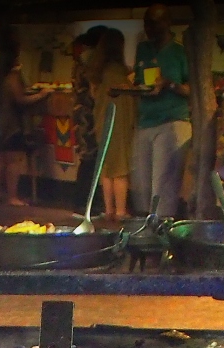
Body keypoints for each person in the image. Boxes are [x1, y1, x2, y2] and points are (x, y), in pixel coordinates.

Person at [131, 5, 190, 218]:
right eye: (146, 24)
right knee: (143, 186)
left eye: (154, 23)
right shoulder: (143, 49)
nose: (149, 29)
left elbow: (193, 89)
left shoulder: (180, 51)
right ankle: (147, 231)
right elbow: (139, 81)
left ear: (167, 23)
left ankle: (163, 230)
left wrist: (170, 84)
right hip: (146, 121)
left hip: (172, 121)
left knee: (163, 186)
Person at [0, 29, 51, 207]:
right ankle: (12, 196)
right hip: (13, 124)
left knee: (1, 160)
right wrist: (42, 94)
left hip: (0, 122)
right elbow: (20, 99)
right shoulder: (13, 76)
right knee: (14, 160)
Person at [91, 28, 137, 221]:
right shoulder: (118, 73)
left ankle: (109, 209)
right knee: (119, 167)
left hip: (102, 120)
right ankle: (120, 211)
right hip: (118, 123)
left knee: (107, 167)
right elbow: (129, 100)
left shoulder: (98, 73)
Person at [71, 25, 108, 212]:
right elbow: (95, 92)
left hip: (80, 114)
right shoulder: (93, 61)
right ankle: (86, 204)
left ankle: (81, 201)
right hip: (89, 115)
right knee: (91, 159)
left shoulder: (81, 60)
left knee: (87, 158)